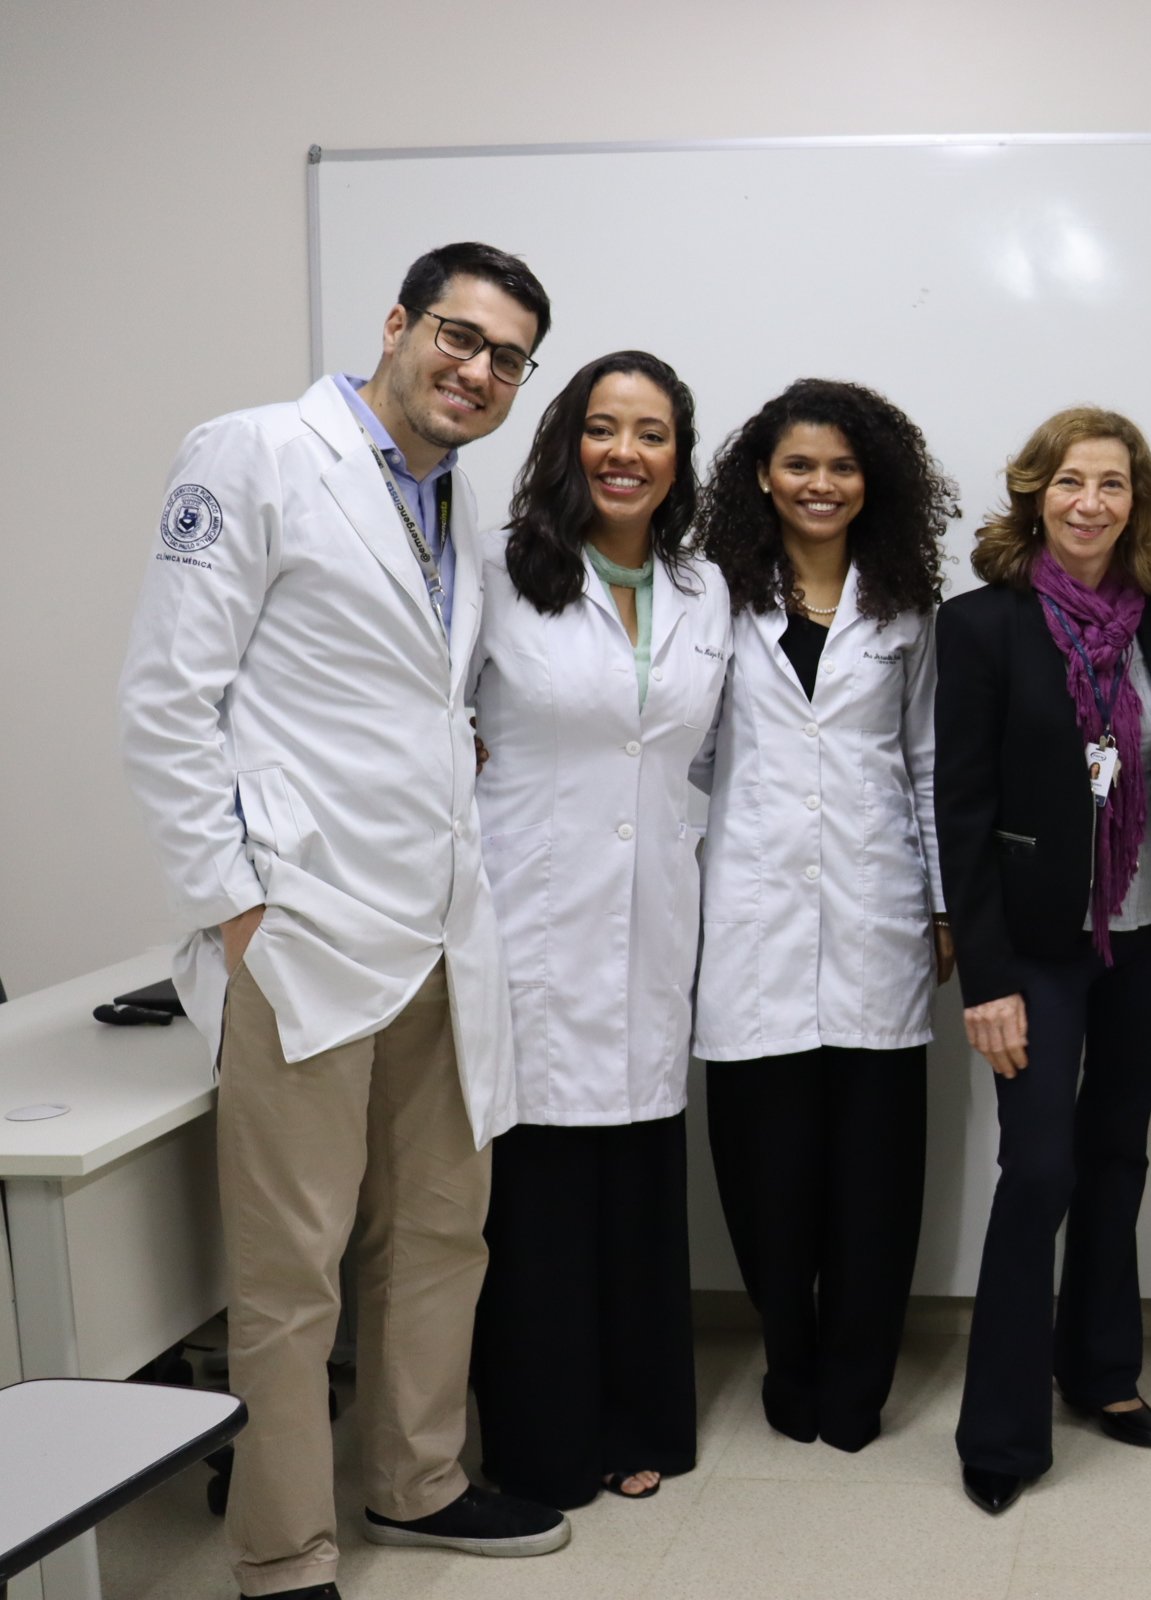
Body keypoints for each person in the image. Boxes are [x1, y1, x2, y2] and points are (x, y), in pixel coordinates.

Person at [119, 242, 569, 1600]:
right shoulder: (253, 454)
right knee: (290, 1269)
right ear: (399, 324)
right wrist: (239, 910)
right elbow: (165, 704)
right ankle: (285, 1551)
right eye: (460, 336)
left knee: (441, 1231)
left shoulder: (455, 509)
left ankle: (418, 1482)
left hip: (436, 930)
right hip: (305, 933)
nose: (478, 371)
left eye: (507, 358)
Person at [466, 351, 730, 1508]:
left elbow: (700, 757)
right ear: (567, 438)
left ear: (679, 459)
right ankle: (540, 1440)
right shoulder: (494, 573)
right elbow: (438, 726)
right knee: (538, 1197)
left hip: (654, 922)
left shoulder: (704, 589)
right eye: (604, 427)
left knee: (635, 1181)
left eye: (654, 432)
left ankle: (641, 1423)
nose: (627, 452)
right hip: (528, 918)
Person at [936, 407, 1151, 1515]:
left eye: (1113, 483)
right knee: (1038, 1169)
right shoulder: (985, 625)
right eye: (1069, 481)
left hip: (1146, 935)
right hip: (1038, 952)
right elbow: (962, 809)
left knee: (1118, 1158)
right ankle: (1000, 1428)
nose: (1091, 502)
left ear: (1136, 501)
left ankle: (1100, 1370)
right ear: (1035, 494)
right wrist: (987, 976)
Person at [688, 379, 954, 1452]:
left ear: (870, 482)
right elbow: (687, 757)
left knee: (874, 1183)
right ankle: (788, 1359)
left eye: (843, 467)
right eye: (801, 464)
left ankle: (857, 1387)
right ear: (763, 474)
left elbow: (927, 761)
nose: (821, 484)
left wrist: (941, 904)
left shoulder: (905, 607)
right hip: (748, 911)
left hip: (875, 909)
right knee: (767, 1178)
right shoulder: (712, 598)